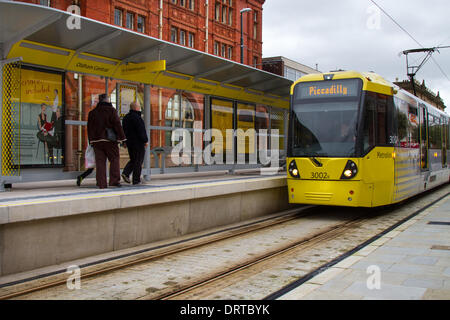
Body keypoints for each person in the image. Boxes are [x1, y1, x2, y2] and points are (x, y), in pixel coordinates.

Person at [87, 94, 126, 189]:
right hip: (110, 140)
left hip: (97, 141)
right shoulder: (111, 110)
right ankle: (114, 181)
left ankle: (101, 183)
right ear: (107, 100)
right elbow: (117, 125)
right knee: (114, 159)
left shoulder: (92, 112)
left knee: (100, 162)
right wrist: (123, 139)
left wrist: (91, 140)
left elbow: (89, 128)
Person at [121, 101, 148, 185]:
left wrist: (124, 142)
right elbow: (141, 131)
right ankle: (136, 180)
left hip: (129, 143)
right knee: (138, 161)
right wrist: (145, 140)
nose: (140, 108)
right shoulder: (137, 118)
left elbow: (123, 131)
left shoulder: (126, 118)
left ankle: (126, 173)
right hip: (138, 143)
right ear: (136, 107)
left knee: (133, 159)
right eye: (139, 106)